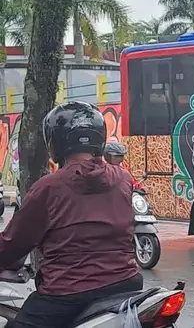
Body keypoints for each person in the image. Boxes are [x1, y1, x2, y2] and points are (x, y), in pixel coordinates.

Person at [0, 101, 142, 327]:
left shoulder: (48, 187)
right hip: (127, 284)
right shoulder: (123, 179)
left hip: (68, 293)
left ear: (54, 141)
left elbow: (14, 242)